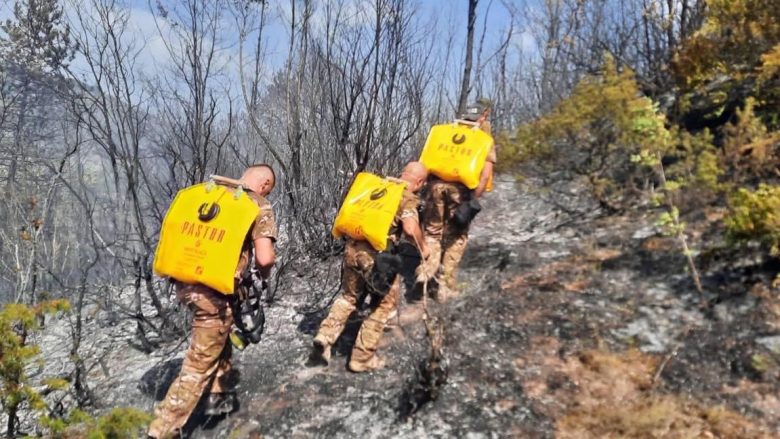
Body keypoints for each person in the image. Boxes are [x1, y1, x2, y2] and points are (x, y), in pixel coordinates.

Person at [148, 164, 277, 439]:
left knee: (221, 337)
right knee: (198, 364)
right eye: (269, 188)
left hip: (186, 283)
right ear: (265, 184)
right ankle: (160, 431)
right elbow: (265, 258)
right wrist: (262, 278)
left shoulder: (209, 193)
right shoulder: (256, 203)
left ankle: (218, 403)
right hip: (214, 295)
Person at [308, 162, 430, 373]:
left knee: (348, 298)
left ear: (403, 174)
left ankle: (326, 336)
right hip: (376, 257)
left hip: (351, 250)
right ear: (420, 182)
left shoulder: (379, 187)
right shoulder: (405, 196)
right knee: (383, 305)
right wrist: (424, 248)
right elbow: (410, 229)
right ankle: (361, 358)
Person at [416, 102, 496, 303]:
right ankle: (444, 286)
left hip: (434, 187)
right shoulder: (483, 140)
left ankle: (425, 272)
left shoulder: (444, 133)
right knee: (457, 236)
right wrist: (473, 199)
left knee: (433, 232)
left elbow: (425, 163)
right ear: (481, 118)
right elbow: (485, 176)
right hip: (460, 192)